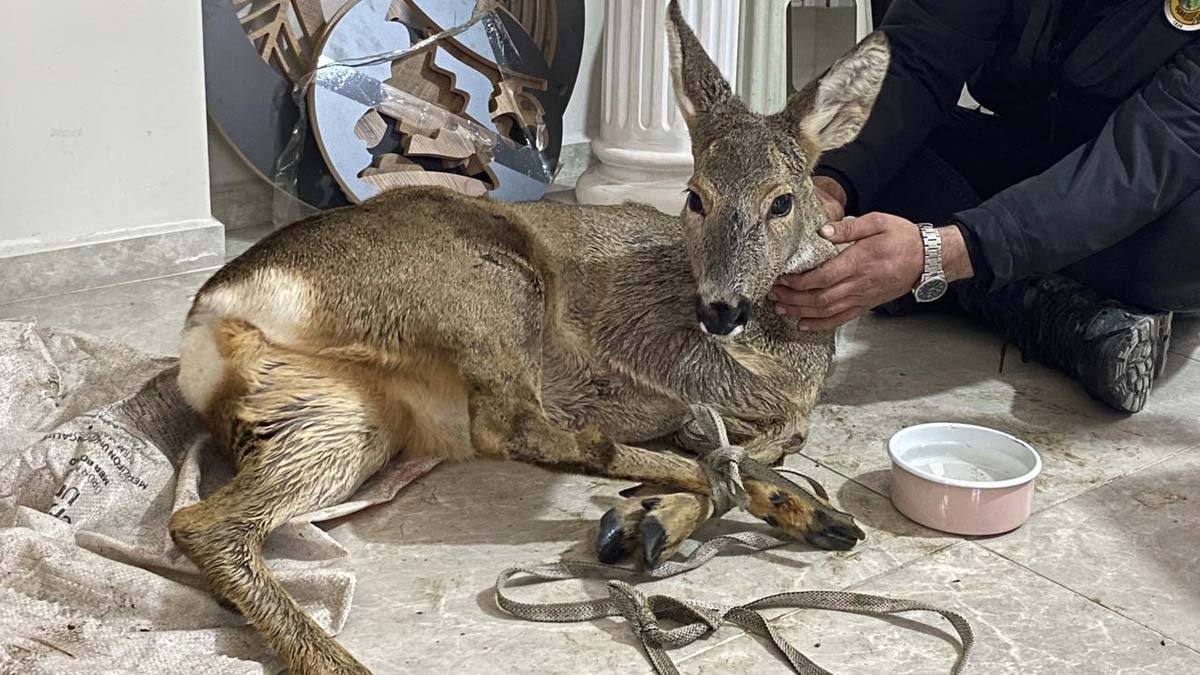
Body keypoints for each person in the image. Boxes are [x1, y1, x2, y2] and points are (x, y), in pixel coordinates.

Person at [772, 0, 1200, 414]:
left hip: (1160, 178)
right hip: (1027, 145)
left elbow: (1143, 158)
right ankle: (1056, 313)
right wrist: (830, 186)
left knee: (1179, 251)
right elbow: (916, 55)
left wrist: (942, 253)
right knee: (867, 159)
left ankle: (994, 293)